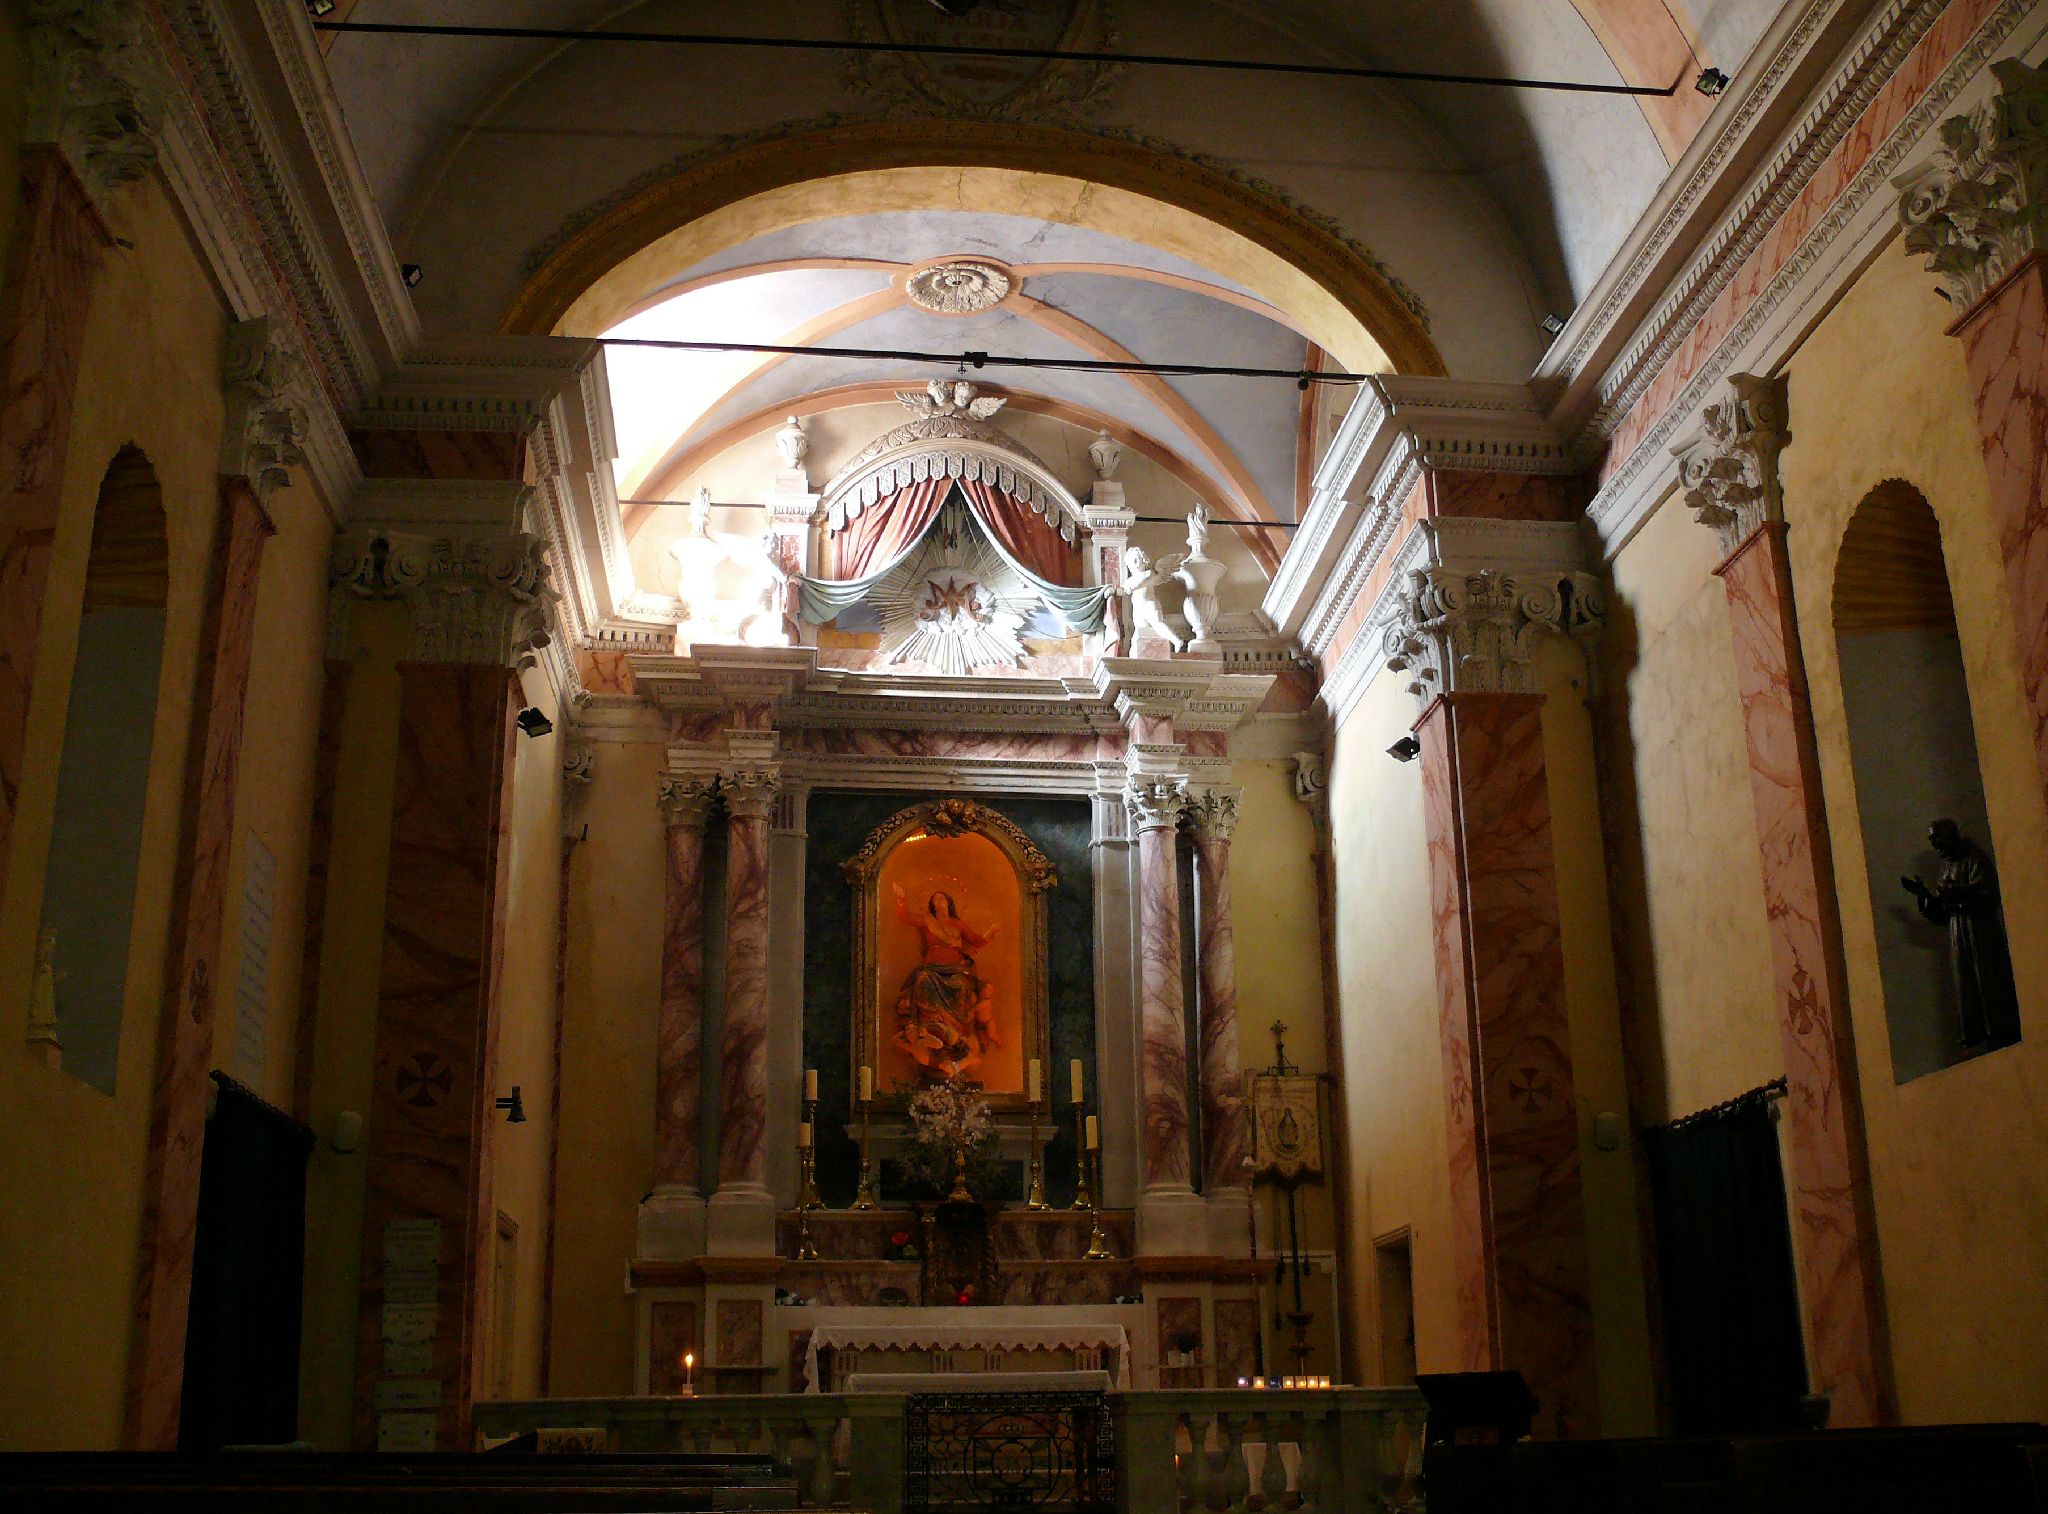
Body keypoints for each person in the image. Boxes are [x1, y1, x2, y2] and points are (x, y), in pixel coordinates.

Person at [1901, 819, 2022, 1048]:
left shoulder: (1975, 860)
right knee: (1964, 982)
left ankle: (1999, 1031)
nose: (1934, 843)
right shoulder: (1946, 867)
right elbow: (1942, 914)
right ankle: (1975, 1034)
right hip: (1958, 932)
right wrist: (1923, 895)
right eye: (1931, 839)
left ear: (1951, 834)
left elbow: (1987, 894)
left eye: (1937, 837)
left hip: (1980, 929)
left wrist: (1954, 892)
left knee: (1987, 978)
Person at [892, 882, 1001, 1079]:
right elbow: (904, 916)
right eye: (935, 900)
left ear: (948, 903)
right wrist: (900, 898)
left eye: (941, 899)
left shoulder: (958, 924)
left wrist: (991, 932)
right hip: (932, 969)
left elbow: (976, 940)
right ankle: (931, 1027)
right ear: (932, 905)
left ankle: (956, 1031)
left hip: (956, 970)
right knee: (923, 980)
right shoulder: (927, 921)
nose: (938, 902)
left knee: (961, 986)